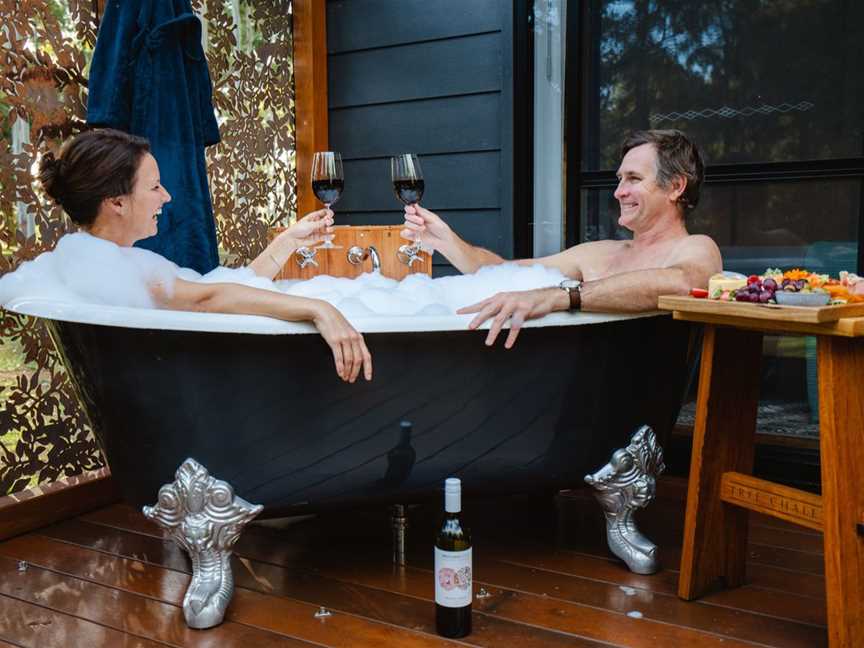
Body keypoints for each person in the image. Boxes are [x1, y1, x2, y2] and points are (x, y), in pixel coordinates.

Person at [37, 128, 372, 383]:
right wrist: (318, 308)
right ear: (117, 202)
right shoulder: (114, 271)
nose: (166, 197)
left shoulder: (101, 262)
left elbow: (222, 291)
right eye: (154, 187)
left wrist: (288, 242)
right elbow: (207, 299)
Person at [401, 129, 722, 348]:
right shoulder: (598, 254)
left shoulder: (696, 248)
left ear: (676, 186)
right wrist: (448, 242)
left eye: (634, 179)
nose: (618, 191)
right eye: (620, 178)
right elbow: (504, 271)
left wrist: (560, 296)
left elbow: (683, 284)